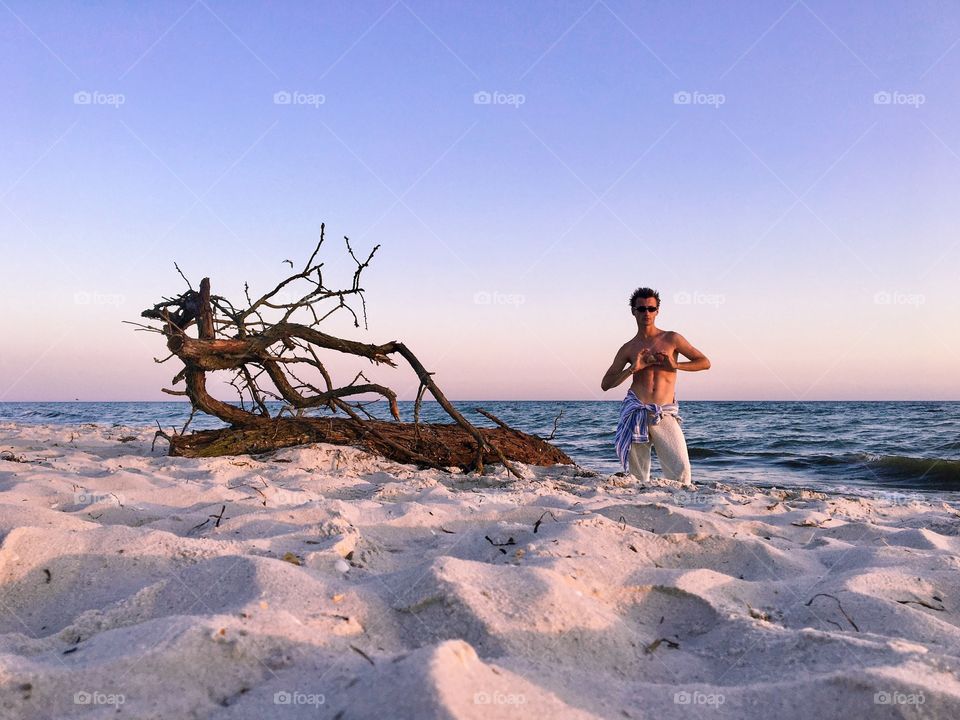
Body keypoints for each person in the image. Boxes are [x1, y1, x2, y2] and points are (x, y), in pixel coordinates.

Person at [600, 287, 711, 484]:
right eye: (641, 309)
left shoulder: (672, 338)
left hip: (663, 412)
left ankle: (680, 504)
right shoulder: (628, 348)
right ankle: (640, 505)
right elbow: (606, 384)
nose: (647, 313)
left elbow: (704, 362)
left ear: (657, 311)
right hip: (636, 412)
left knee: (681, 469)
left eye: (651, 309)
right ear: (633, 311)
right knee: (637, 477)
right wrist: (633, 369)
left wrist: (676, 365)